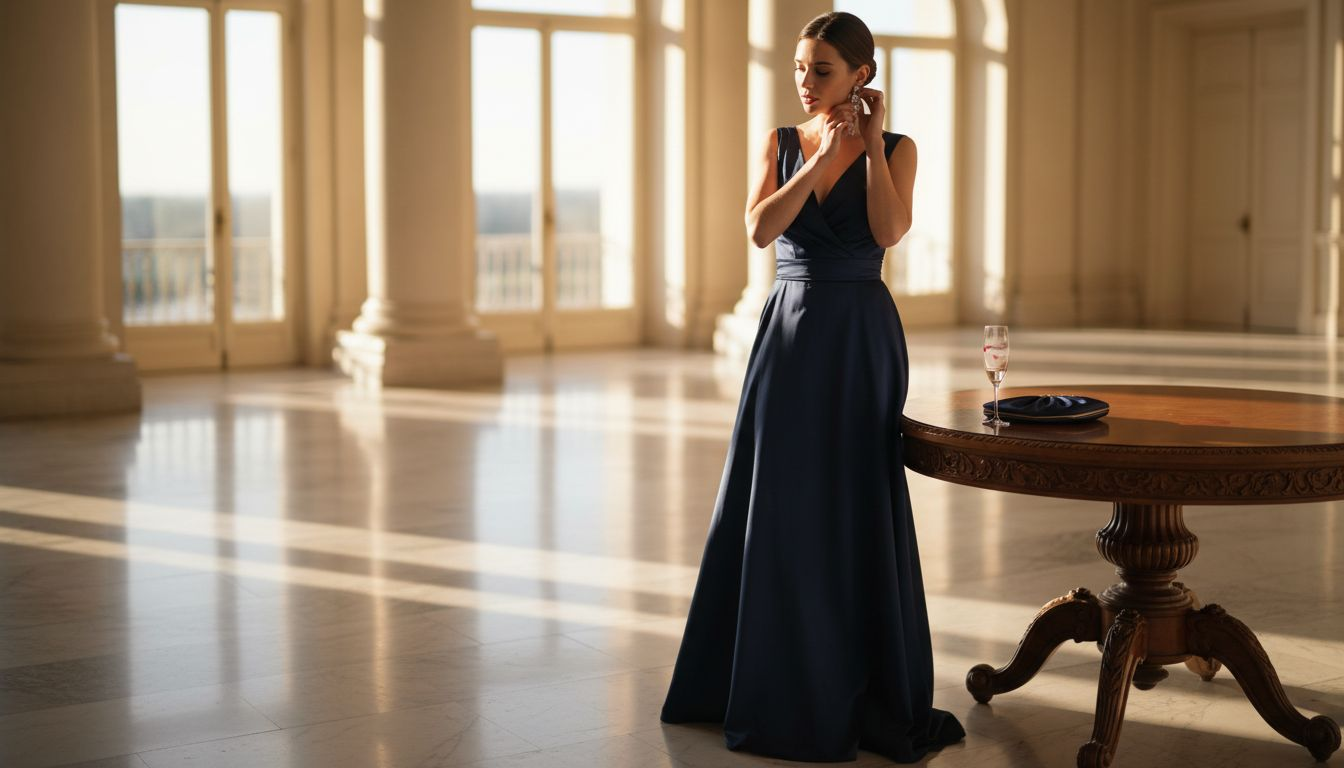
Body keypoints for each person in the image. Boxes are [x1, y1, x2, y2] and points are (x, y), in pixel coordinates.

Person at [659, 11, 966, 763]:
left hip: (861, 338)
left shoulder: (899, 149)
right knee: (779, 502)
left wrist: (865, 148)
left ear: (860, 74)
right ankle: (769, 680)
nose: (805, 81)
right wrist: (817, 163)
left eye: (821, 70)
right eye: (800, 68)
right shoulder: (779, 143)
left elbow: (890, 231)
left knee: (855, 502)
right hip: (791, 337)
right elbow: (762, 230)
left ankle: (859, 682)